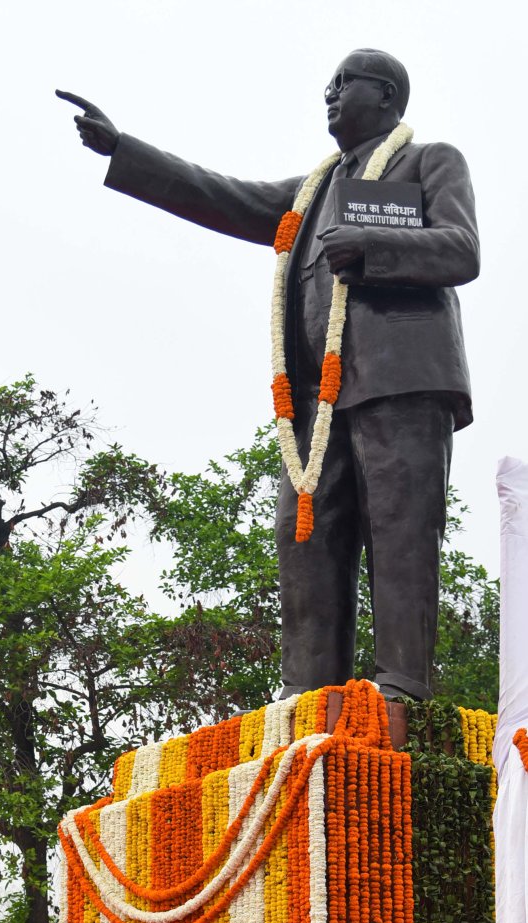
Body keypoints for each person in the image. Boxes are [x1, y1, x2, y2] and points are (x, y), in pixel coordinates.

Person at [57, 50, 479, 701]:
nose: (330, 94)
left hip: (401, 383)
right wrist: (126, 150)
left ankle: (401, 684)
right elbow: (224, 195)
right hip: (317, 404)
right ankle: (310, 689)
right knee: (304, 532)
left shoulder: (430, 161)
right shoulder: (311, 192)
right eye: (329, 85)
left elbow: (461, 247)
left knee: (399, 531)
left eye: (345, 83)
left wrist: (372, 248)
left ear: (388, 95)